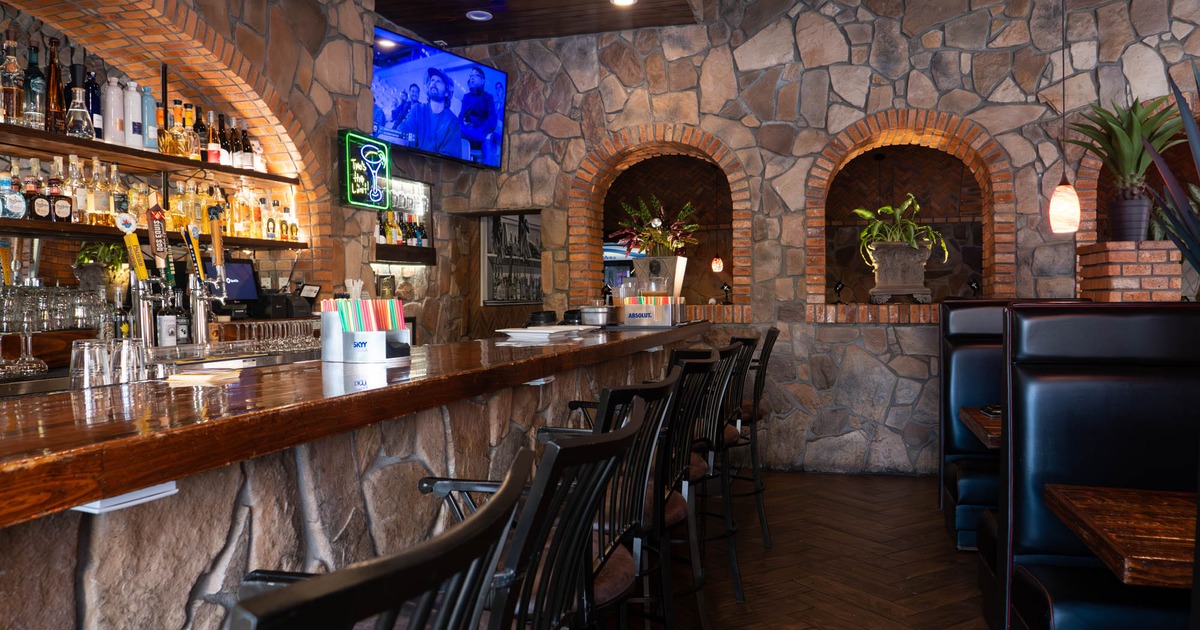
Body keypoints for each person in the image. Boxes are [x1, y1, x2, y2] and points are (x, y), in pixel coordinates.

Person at [398, 68, 461, 155]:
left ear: (447, 92)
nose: (434, 82)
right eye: (432, 80)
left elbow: (449, 156)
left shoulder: (452, 122)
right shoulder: (417, 110)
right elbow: (404, 130)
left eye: (439, 81)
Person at [459, 67, 496, 161]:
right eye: (470, 75)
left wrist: (481, 132)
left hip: (483, 134)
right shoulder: (466, 97)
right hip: (469, 133)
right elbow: (460, 117)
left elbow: (492, 120)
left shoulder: (488, 97)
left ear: (482, 81)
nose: (472, 77)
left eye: (475, 75)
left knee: (489, 142)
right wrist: (464, 127)